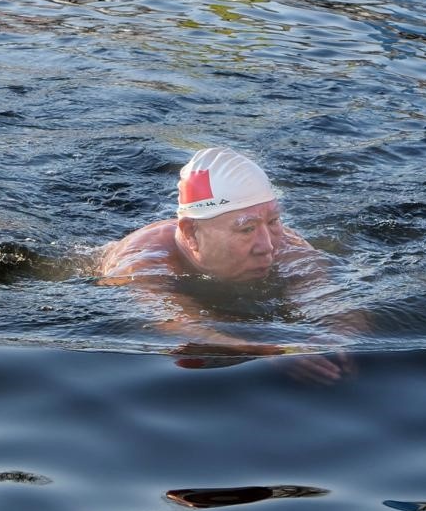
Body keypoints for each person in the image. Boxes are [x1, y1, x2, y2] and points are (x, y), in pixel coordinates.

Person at [99, 147, 352, 381]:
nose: (268, 245)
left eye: (273, 221)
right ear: (190, 234)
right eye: (247, 229)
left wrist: (334, 337)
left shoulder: (286, 242)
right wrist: (264, 351)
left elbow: (327, 300)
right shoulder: (142, 261)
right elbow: (173, 320)